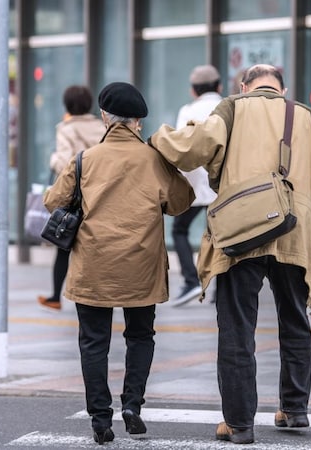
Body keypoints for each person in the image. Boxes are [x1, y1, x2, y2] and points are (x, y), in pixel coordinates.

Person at [149, 64, 311, 445]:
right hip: (294, 231)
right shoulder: (307, 117)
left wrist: (156, 139)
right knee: (295, 320)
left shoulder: (232, 108)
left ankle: (238, 423)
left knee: (236, 326)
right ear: (282, 90)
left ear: (245, 86)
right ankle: (294, 410)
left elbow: (192, 148)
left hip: (242, 232)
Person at [45, 82, 194, 445]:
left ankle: (100, 418)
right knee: (140, 335)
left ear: (105, 118)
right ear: (139, 123)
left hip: (94, 265)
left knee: (93, 342)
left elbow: (53, 201)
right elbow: (181, 202)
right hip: (141, 264)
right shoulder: (154, 159)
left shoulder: (85, 159)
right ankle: (132, 405)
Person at [37, 85, 106, 311]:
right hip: (102, 193)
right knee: (98, 245)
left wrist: (53, 158)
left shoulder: (66, 129)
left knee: (63, 244)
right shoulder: (102, 127)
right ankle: (101, 295)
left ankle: (56, 296)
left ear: (67, 106)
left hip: (76, 197)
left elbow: (65, 163)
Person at [171, 65, 223, 305]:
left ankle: (191, 280)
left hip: (195, 182)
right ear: (219, 86)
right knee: (221, 235)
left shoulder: (188, 110)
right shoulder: (229, 107)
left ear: (194, 91)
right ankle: (221, 288)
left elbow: (182, 147)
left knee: (179, 230)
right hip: (223, 183)